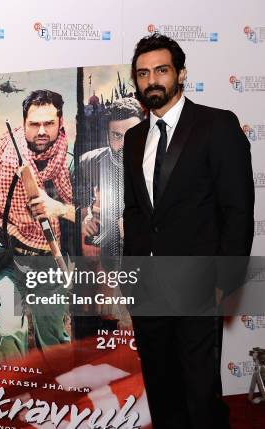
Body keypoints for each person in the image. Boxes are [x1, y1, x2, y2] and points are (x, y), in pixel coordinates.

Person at [123, 33, 254, 428]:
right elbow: (136, 214)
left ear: (181, 74)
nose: (152, 80)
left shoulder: (216, 125)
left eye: (161, 70)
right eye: (143, 73)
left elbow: (238, 211)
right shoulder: (133, 139)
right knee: (162, 393)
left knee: (201, 396)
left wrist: (224, 282)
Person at [0, 89, 75, 362]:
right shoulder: (4, 153)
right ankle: (16, 400)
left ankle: (61, 399)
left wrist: (57, 208)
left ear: (60, 122)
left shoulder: (70, 162)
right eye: (34, 124)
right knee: (9, 335)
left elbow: (90, 216)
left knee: (54, 345)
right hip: (9, 260)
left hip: (49, 263)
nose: (41, 131)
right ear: (23, 122)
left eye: (48, 123)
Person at [80, 97, 144, 257]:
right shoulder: (87, 163)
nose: (126, 144)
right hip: (107, 262)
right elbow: (74, 203)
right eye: (117, 135)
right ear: (107, 136)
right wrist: (85, 218)